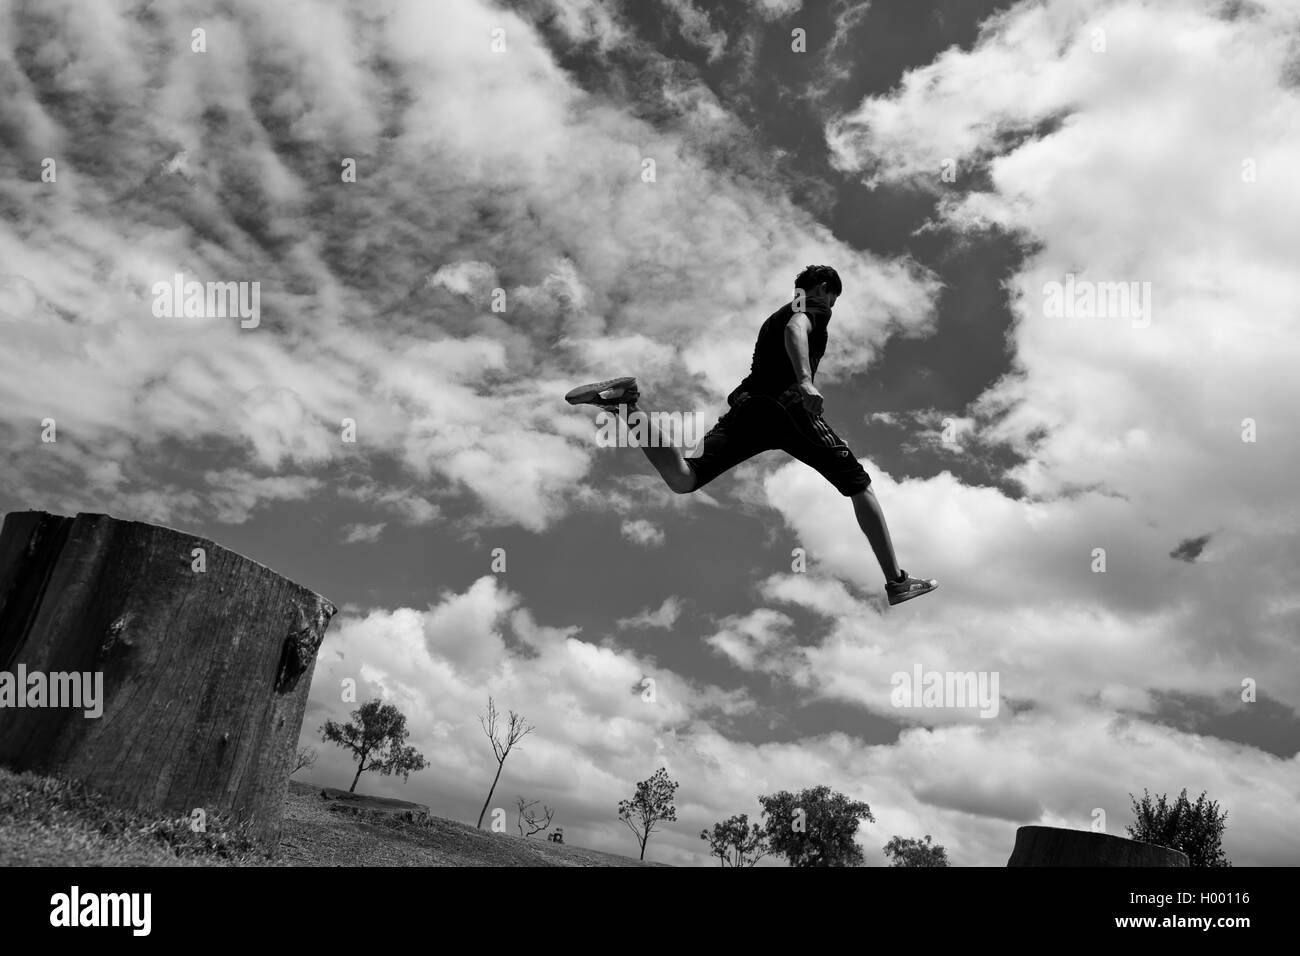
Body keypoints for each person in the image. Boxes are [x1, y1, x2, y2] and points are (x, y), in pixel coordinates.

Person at [566, 264, 937, 606]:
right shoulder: (811, 309)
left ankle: (626, 407)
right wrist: (805, 381)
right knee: (859, 484)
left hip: (747, 408)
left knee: (684, 478)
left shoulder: (774, 316)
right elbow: (798, 330)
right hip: (785, 406)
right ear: (824, 289)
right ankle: (897, 581)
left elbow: (786, 330)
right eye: (835, 299)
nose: (832, 308)